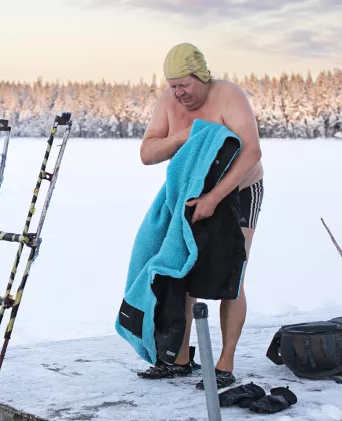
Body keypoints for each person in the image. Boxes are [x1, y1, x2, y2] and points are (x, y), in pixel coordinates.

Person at [136, 42, 264, 389]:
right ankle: (179, 359)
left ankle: (225, 364)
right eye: (172, 86)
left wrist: (215, 198)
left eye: (184, 86)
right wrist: (181, 137)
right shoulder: (169, 100)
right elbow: (147, 152)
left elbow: (252, 150)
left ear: (201, 77)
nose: (179, 94)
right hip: (193, 193)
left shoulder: (228, 96)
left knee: (231, 274)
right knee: (183, 267)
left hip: (239, 191)